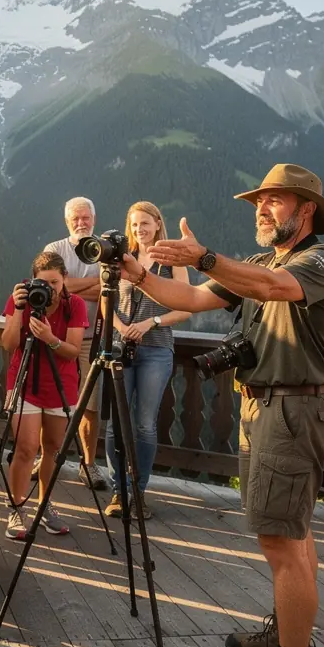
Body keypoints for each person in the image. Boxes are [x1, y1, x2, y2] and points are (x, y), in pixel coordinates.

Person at [122, 164, 324, 647]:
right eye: (259, 202)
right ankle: (288, 633)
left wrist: (203, 256)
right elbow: (193, 296)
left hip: (295, 410)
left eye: (274, 202)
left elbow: (273, 289)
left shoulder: (321, 263)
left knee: (283, 541)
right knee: (292, 533)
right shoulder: (261, 266)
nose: (261, 209)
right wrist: (136, 272)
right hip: (266, 409)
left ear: (305, 211)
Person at [104, 201, 191, 520]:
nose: (139, 229)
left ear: (157, 224)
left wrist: (150, 323)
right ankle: (118, 489)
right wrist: (121, 327)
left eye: (145, 223)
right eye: (134, 224)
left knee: (144, 424)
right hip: (120, 348)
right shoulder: (121, 260)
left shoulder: (170, 261)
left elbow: (186, 307)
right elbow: (106, 302)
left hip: (156, 349)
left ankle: (137, 492)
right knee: (115, 424)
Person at [1, 251, 88, 540]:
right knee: (25, 448)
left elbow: (73, 351)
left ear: (65, 280)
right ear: (31, 281)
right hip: (24, 380)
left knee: (52, 448)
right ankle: (16, 505)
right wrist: (17, 309)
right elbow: (9, 343)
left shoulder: (74, 305)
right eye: (43, 282)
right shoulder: (22, 301)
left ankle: (44, 503)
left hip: (61, 384)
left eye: (54, 282)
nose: (48, 289)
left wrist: (50, 339)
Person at [44, 197, 108, 488]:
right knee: (50, 398)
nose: (81, 223)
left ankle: (89, 464)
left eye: (86, 218)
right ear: (66, 221)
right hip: (56, 336)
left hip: (93, 338)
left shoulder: (102, 250)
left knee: (90, 404)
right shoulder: (55, 250)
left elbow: (110, 289)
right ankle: (46, 457)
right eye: (75, 219)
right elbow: (53, 289)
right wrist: (92, 286)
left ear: (94, 219)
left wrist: (69, 288)